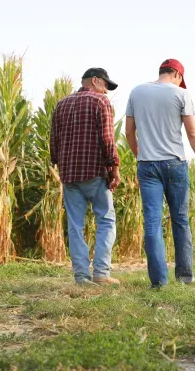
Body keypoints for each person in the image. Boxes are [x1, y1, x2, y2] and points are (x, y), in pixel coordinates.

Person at [125, 59, 195, 288]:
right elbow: (193, 133)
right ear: (177, 74)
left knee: (152, 223)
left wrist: (140, 155)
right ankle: (184, 277)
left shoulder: (137, 92)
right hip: (175, 163)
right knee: (180, 220)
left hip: (147, 165)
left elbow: (129, 133)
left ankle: (159, 281)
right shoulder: (181, 95)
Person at [50, 67, 121, 286]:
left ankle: (81, 276)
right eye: (105, 86)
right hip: (94, 172)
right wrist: (114, 167)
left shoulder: (61, 104)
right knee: (106, 221)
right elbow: (108, 139)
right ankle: (101, 272)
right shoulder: (100, 102)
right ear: (95, 81)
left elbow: (53, 141)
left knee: (75, 225)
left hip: (70, 174)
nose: (107, 91)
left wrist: (59, 163)